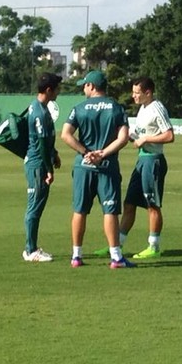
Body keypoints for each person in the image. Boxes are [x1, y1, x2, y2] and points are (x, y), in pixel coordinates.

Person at [60, 70, 136, 269]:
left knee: (80, 210)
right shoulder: (117, 108)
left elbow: (66, 135)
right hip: (107, 166)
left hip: (83, 166)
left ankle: (76, 256)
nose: (83, 89)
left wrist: (86, 152)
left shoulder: (79, 108)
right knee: (110, 211)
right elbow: (123, 138)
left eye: (85, 85)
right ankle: (116, 257)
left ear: (92, 86)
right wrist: (102, 154)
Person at [118, 77, 174, 259]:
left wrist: (146, 139)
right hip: (142, 160)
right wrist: (131, 136)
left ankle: (154, 246)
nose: (133, 96)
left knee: (152, 205)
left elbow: (169, 135)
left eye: (137, 93)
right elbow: (140, 134)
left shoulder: (157, 108)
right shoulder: (142, 108)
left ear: (148, 93)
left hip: (153, 161)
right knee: (129, 203)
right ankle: (117, 244)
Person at [22, 72, 62, 262]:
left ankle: (31, 248)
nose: (59, 92)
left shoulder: (37, 106)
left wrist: (54, 153)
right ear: (48, 90)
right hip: (38, 165)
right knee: (34, 207)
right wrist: (49, 169)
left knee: (36, 206)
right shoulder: (40, 112)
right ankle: (31, 251)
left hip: (38, 162)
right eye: (57, 89)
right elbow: (41, 144)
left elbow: (46, 142)